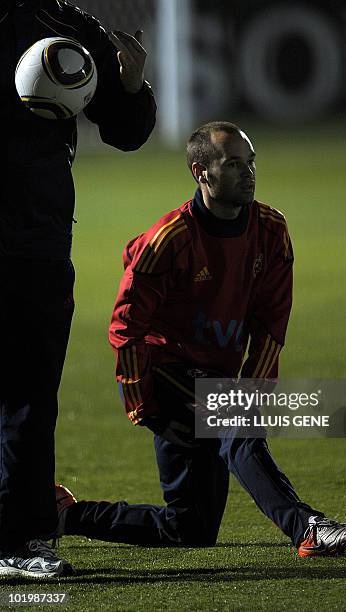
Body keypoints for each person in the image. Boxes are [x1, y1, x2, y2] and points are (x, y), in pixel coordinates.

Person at [55, 121, 346, 558]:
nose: (249, 173)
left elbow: (270, 327)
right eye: (234, 163)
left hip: (217, 378)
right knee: (238, 425)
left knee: (189, 527)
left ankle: (63, 516)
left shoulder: (271, 231)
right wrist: (141, 403)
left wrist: (252, 391)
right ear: (200, 172)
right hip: (164, 375)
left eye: (251, 162)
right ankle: (308, 527)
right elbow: (125, 327)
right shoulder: (169, 240)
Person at [0, 0, 156, 578]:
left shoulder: (68, 25)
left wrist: (133, 84)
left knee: (30, 399)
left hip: (38, 243)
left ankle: (17, 541)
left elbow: (128, 130)